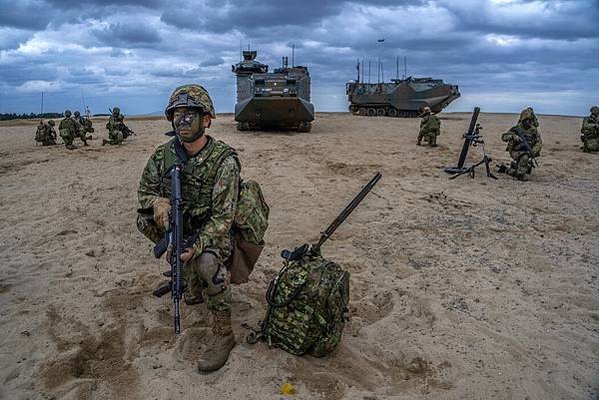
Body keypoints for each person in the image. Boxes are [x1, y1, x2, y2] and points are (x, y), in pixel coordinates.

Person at [138, 84, 239, 372]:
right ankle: (189, 280)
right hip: (182, 225)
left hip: (214, 231)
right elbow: (143, 192)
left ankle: (224, 335)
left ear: (206, 119)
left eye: (189, 115)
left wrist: (195, 247)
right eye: (177, 115)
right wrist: (158, 203)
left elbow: (223, 219)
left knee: (206, 262)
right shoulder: (164, 155)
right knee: (143, 218)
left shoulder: (224, 161)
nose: (181, 121)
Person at [498, 108, 542, 181]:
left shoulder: (533, 130)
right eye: (528, 120)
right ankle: (519, 174)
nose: (530, 122)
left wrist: (533, 151)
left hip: (527, 151)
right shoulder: (517, 129)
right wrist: (513, 136)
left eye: (531, 120)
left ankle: (514, 167)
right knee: (524, 158)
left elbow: (539, 143)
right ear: (524, 120)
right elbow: (503, 137)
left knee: (526, 162)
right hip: (515, 151)